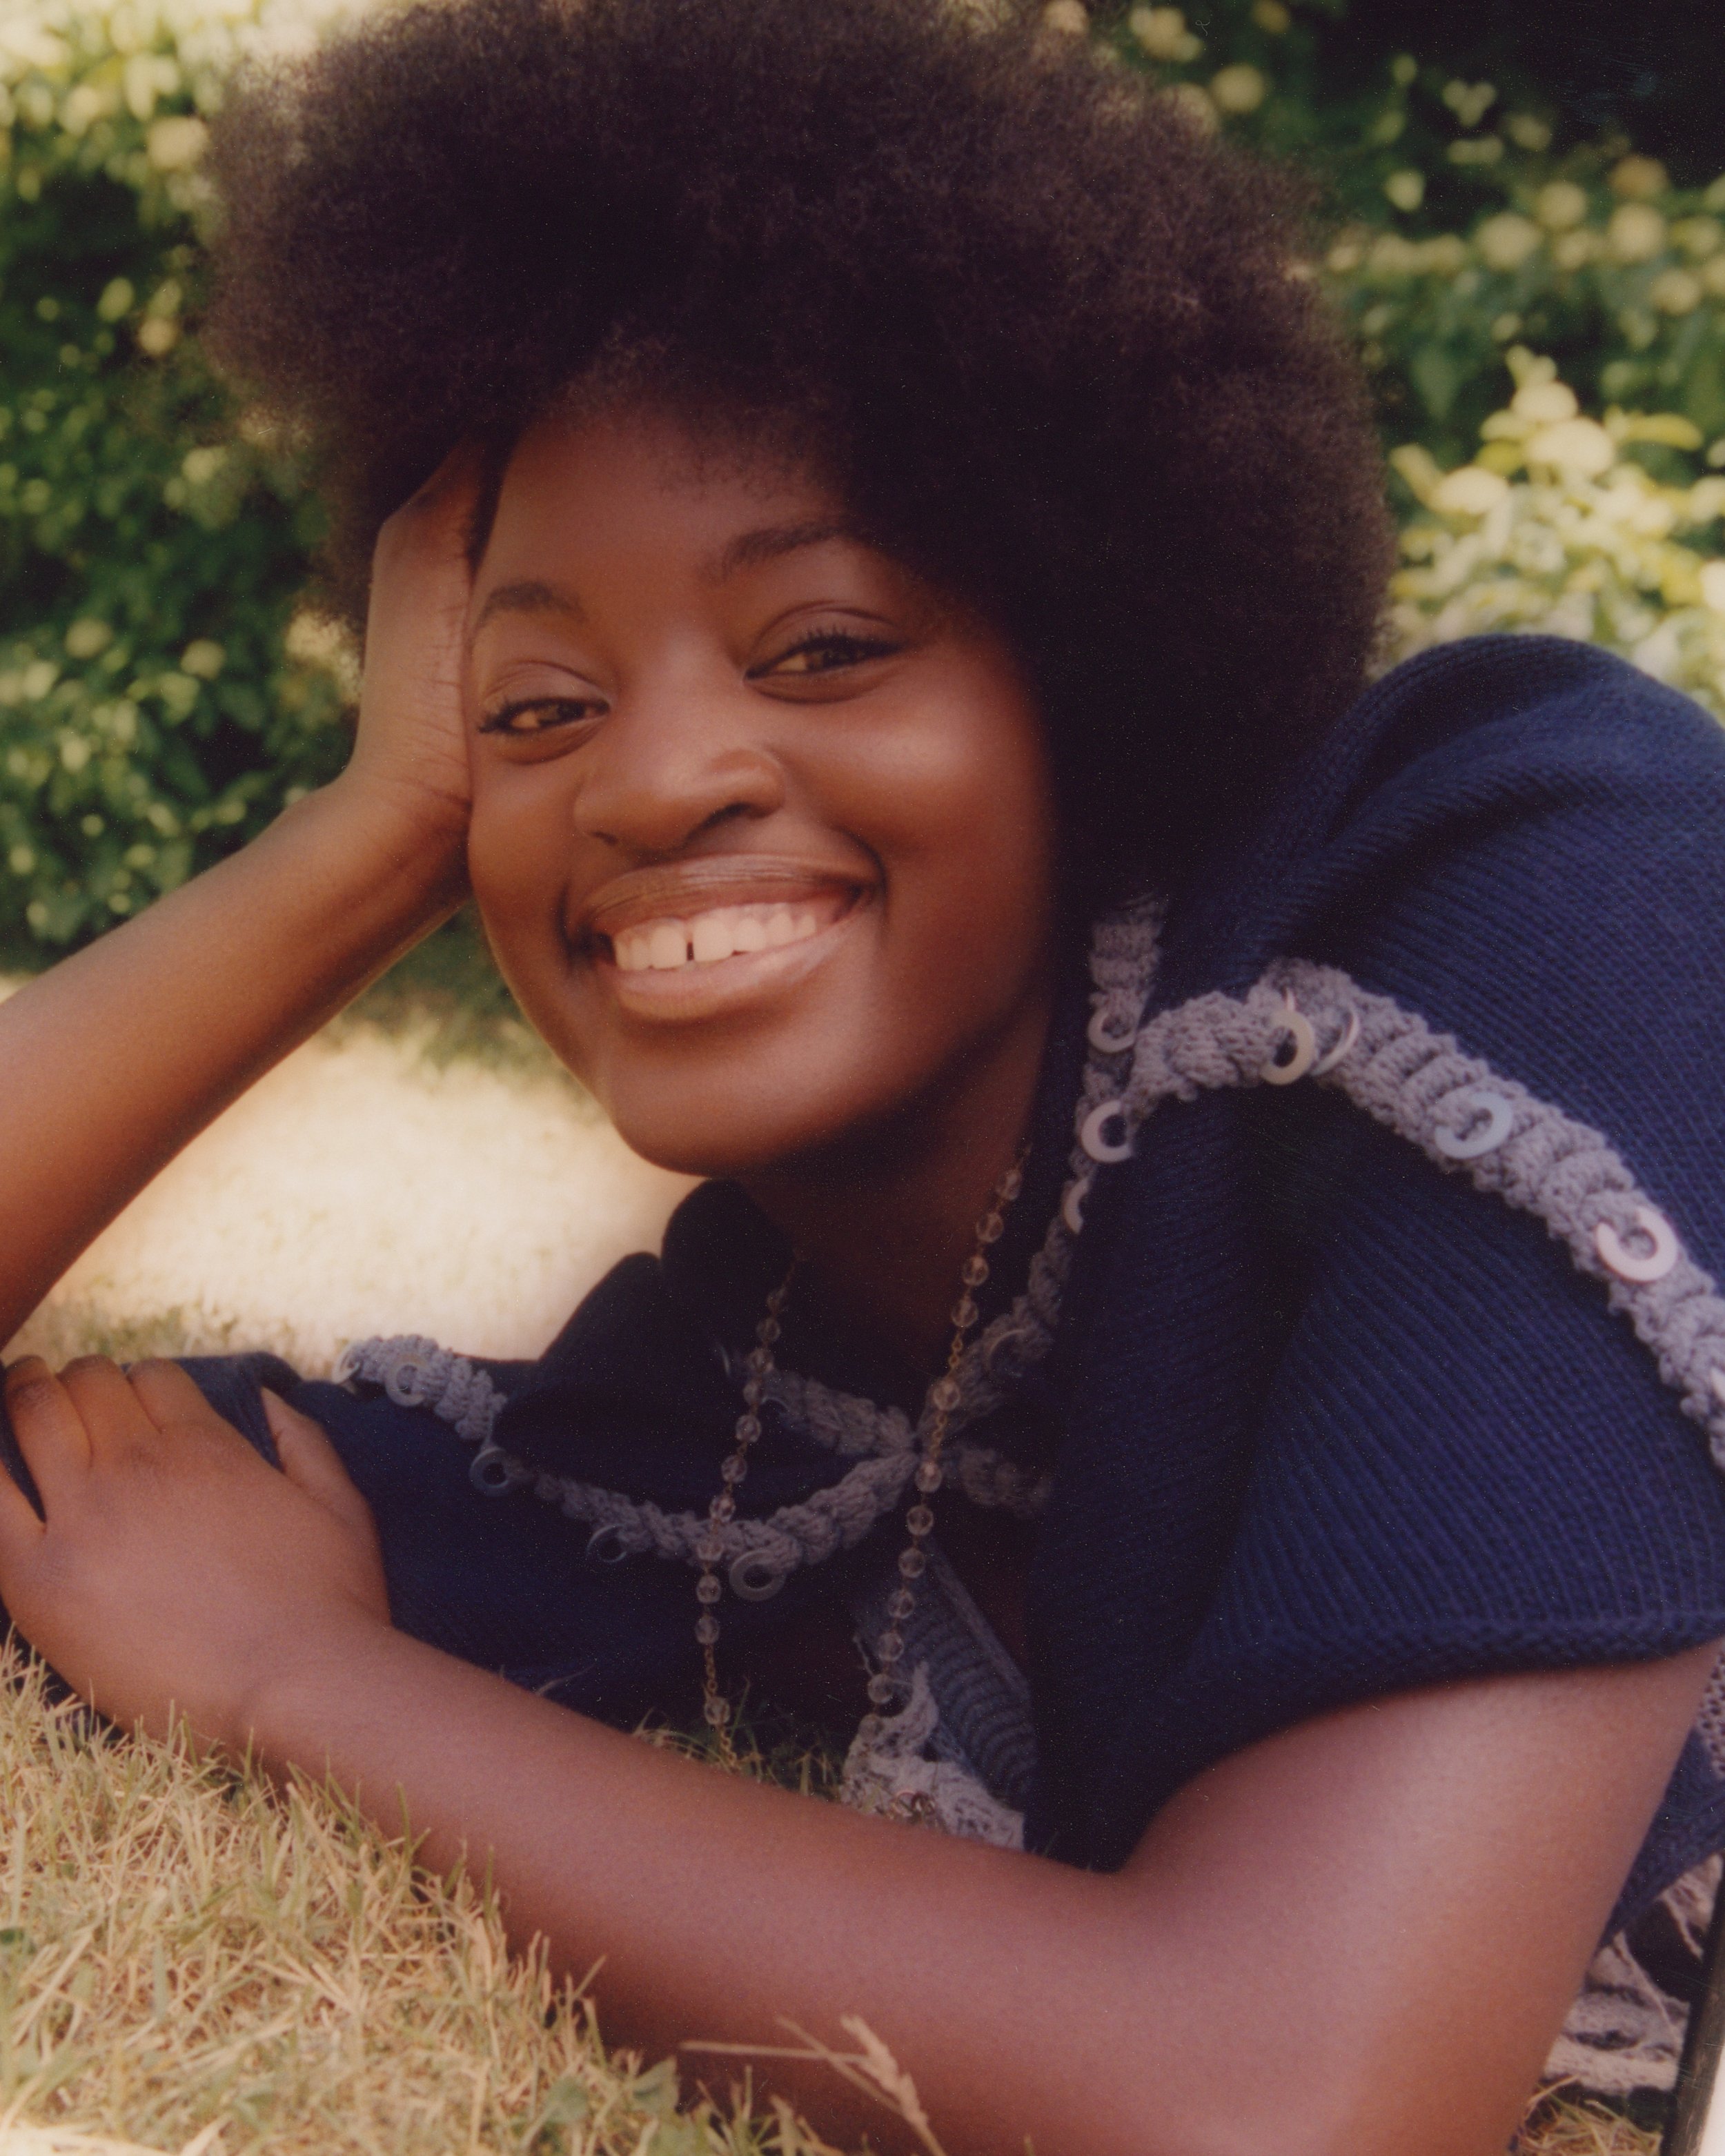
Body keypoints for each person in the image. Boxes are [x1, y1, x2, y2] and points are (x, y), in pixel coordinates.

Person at [3, 0, 1725, 2148]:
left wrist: (296, 1683)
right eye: (539, 712)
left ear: (1088, 669)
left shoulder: (1537, 865)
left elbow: (1287, 2102)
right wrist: (351, 850)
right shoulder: (748, 1426)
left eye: (823, 646)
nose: (656, 778)